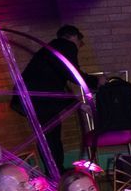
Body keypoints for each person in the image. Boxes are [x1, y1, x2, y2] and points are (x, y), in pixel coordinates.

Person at [15, 25, 83, 172]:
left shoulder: (51, 49)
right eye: (79, 42)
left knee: (49, 136)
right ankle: (55, 173)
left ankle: (56, 171)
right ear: (73, 37)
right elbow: (73, 74)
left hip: (36, 99)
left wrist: (77, 103)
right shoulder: (66, 45)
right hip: (39, 100)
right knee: (49, 137)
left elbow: (55, 79)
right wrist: (94, 82)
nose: (78, 46)